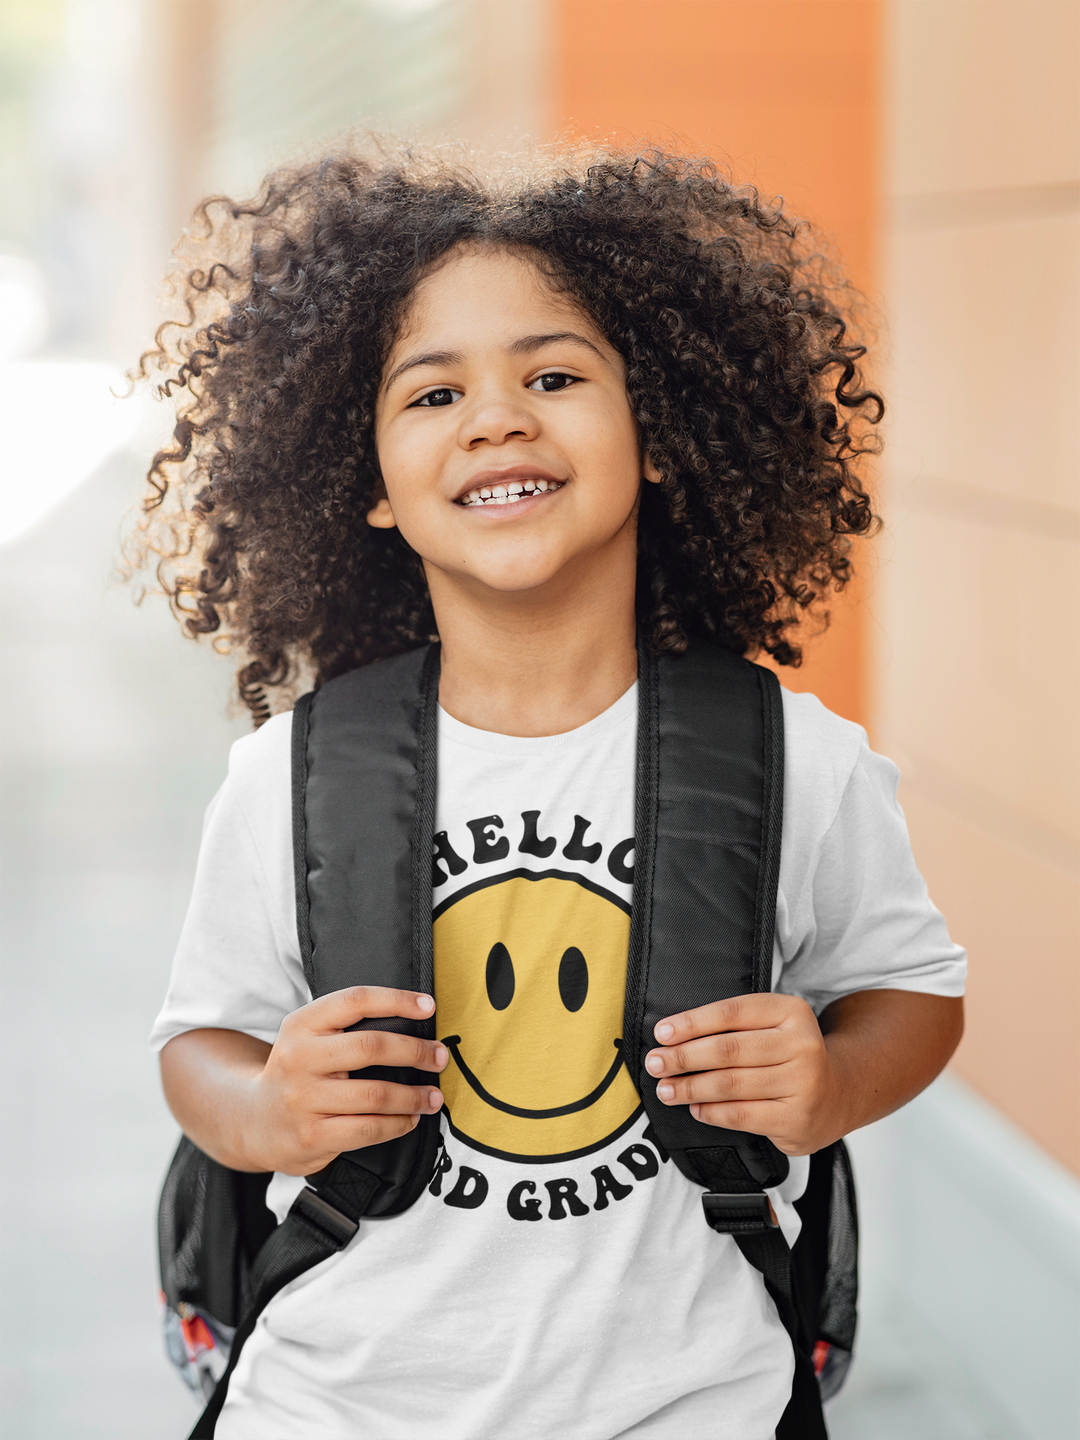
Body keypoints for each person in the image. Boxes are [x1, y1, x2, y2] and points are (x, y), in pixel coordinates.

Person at [141, 142, 966, 1439]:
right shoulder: (289, 775)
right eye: (431, 396)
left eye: (556, 376)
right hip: (338, 1403)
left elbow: (913, 992)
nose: (496, 418)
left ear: (662, 437)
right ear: (364, 484)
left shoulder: (794, 760)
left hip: (691, 1400)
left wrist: (834, 1084)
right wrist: (267, 1109)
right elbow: (198, 1041)